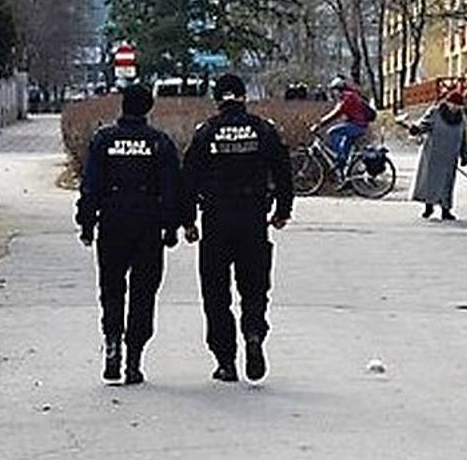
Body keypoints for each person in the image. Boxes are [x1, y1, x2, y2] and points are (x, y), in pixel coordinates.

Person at [181, 74, 293, 385]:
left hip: (216, 220)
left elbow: (188, 178)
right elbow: (283, 171)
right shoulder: (263, 129)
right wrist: (283, 210)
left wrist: (187, 220)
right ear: (243, 97)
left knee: (216, 293)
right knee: (254, 287)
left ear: (218, 99)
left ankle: (225, 361)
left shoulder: (206, 132)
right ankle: (253, 334)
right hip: (253, 219)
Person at [75, 84, 182, 386]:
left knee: (111, 288)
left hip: (112, 223)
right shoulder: (159, 143)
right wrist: (171, 227)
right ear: (149, 108)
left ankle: (112, 342)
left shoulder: (104, 140)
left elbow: (91, 185)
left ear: (123, 105)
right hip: (147, 225)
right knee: (143, 292)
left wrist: (87, 223)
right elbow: (171, 189)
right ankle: (134, 360)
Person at [409, 90, 467, 221]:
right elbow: (424, 124)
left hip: (450, 157)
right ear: (447, 102)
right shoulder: (435, 113)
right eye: (453, 104)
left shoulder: (461, 119)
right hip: (433, 155)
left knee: (447, 184)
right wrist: (417, 129)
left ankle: (446, 210)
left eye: (458, 105)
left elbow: (463, 137)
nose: (455, 107)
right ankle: (429, 207)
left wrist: (465, 154)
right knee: (430, 182)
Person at [313, 77, 373, 177]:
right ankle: (344, 177)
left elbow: (335, 113)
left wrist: (319, 124)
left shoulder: (347, 98)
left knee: (332, 132)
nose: (333, 93)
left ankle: (340, 157)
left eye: (334, 90)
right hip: (358, 125)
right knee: (344, 145)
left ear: (339, 89)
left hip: (357, 125)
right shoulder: (347, 97)